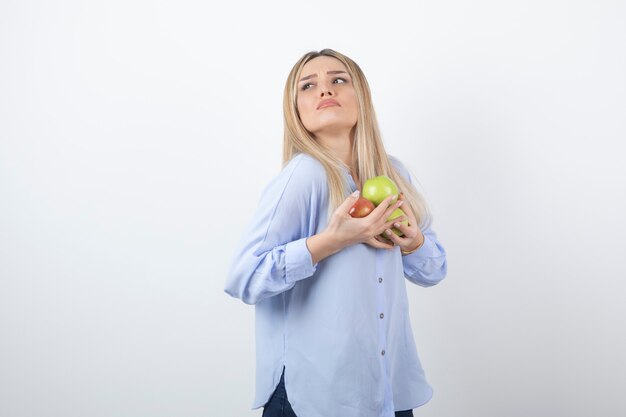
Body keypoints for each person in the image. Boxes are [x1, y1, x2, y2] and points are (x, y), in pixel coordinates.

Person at [224, 48, 447, 417]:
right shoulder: (304, 177)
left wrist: (414, 243)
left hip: (386, 391)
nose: (325, 91)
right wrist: (331, 241)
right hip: (314, 396)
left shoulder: (392, 175)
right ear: (296, 111)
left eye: (338, 80)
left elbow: (434, 271)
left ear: (361, 95)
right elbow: (242, 278)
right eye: (308, 86)